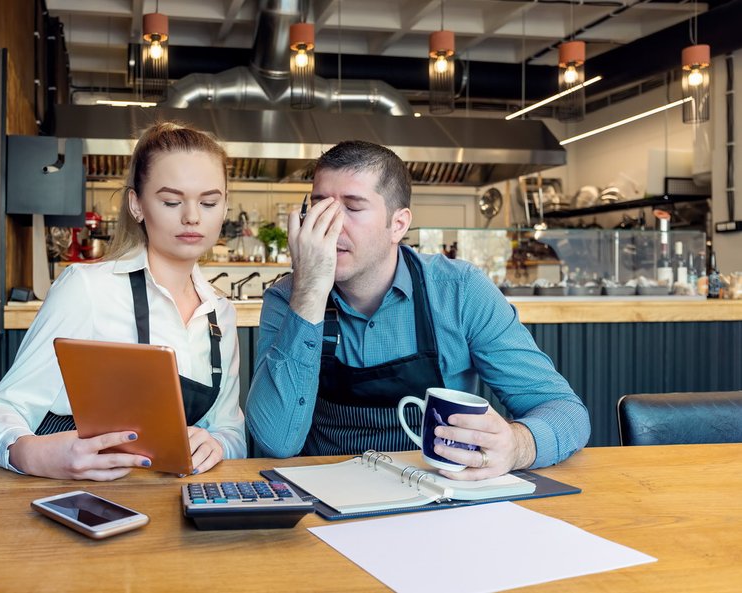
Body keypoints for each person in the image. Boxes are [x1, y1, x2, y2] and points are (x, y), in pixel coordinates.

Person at [245, 140, 590, 480]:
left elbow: (565, 411)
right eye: (320, 206)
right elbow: (277, 441)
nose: (331, 225)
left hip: (436, 497)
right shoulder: (287, 297)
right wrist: (308, 292)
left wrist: (517, 446)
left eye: (353, 206)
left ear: (398, 225)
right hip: (324, 500)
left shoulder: (460, 291)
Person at [0, 122, 246, 480]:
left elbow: (232, 432)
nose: (192, 216)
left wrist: (217, 443)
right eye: (171, 201)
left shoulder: (219, 313)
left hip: (163, 503)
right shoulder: (87, 289)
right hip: (70, 496)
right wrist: (38, 455)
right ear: (136, 204)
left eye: (209, 202)